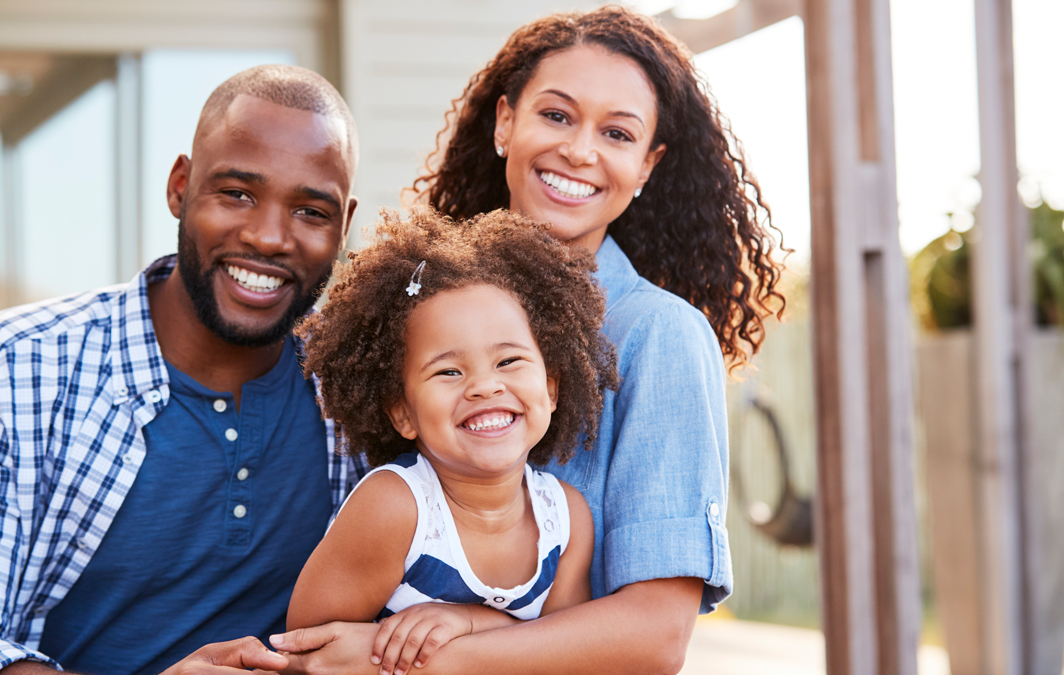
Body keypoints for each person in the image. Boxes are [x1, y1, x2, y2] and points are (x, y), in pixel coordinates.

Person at [269, 7, 786, 674]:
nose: (580, 150)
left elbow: (656, 635)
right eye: (557, 115)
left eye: (618, 133)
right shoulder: (417, 299)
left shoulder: (659, 336)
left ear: (648, 164)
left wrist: (433, 652)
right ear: (505, 121)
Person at [0, 64, 367, 675]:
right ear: (180, 187)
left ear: (343, 226)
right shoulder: (6, 370)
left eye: (310, 211)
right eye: (237, 193)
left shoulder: (364, 384)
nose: (270, 237)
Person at [287, 210, 618, 675]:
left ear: (551, 388)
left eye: (508, 361)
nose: (484, 387)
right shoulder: (396, 509)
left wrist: (470, 621)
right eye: (448, 371)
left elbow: (562, 656)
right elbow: (308, 655)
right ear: (402, 412)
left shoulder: (565, 521)